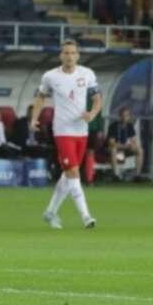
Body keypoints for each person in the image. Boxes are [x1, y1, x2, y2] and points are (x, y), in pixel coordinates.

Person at [31, 40, 101, 228]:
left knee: (69, 173)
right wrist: (34, 119)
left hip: (82, 130)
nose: (69, 56)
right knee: (73, 172)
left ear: (78, 55)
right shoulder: (50, 76)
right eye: (66, 53)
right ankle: (86, 216)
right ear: (60, 56)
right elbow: (40, 97)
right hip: (62, 130)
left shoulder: (87, 74)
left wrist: (92, 114)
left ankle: (50, 212)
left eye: (73, 53)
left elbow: (97, 99)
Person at [106, 106, 143, 181]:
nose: (124, 117)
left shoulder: (130, 126)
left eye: (127, 115)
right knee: (113, 149)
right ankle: (115, 175)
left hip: (125, 152)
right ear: (120, 116)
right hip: (117, 152)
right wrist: (124, 146)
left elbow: (133, 140)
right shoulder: (113, 126)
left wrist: (133, 145)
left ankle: (137, 175)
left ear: (129, 117)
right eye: (123, 115)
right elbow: (111, 143)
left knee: (140, 150)